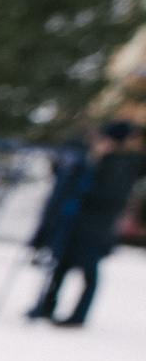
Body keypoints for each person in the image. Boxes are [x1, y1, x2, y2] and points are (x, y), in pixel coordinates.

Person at [28, 121, 143, 327]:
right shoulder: (97, 160)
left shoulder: (119, 165)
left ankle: (78, 316)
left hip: (96, 228)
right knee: (61, 266)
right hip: (76, 224)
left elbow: (109, 196)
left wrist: (84, 190)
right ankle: (46, 305)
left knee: (88, 271)